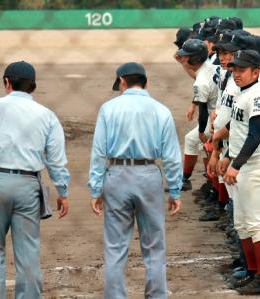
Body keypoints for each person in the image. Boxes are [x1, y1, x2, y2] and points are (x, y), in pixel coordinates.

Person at [88, 62, 182, 299]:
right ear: (145, 82)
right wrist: (175, 190)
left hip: (117, 175)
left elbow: (99, 152)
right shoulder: (161, 110)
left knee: (115, 247)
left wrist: (96, 188)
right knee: (154, 247)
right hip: (148, 175)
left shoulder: (108, 109)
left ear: (121, 81)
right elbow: (171, 156)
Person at [0, 61, 70, 298]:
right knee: (28, 252)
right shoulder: (46, 115)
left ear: (7, 82)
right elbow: (56, 159)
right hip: (28, 185)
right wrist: (62, 191)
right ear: (33, 86)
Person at [218, 50, 260, 295]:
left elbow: (255, 136)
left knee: (256, 225)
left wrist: (236, 164)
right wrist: (228, 156)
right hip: (241, 164)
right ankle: (252, 272)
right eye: (235, 70)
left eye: (242, 70)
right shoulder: (242, 93)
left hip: (255, 168)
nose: (237, 74)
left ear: (256, 71)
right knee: (242, 224)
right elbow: (238, 131)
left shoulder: (258, 97)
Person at [175, 39, 220, 192]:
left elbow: (203, 111)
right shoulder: (212, 66)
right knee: (202, 145)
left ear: (194, 59)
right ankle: (210, 184)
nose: (183, 58)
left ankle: (190, 180)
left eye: (186, 56)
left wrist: (201, 131)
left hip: (215, 119)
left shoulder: (200, 81)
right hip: (220, 112)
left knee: (194, 139)